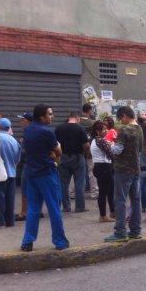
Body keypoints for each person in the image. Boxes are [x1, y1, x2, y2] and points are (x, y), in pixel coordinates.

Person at [21, 104, 70, 251]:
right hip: (47, 173)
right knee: (54, 208)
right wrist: (53, 153)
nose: (52, 116)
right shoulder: (47, 132)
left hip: (31, 173)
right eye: (49, 114)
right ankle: (59, 241)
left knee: (33, 209)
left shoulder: (28, 129)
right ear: (42, 116)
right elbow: (59, 151)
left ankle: (27, 241)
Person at [105, 106, 144, 242]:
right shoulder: (139, 128)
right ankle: (135, 230)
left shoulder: (123, 130)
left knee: (120, 201)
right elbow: (139, 148)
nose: (121, 121)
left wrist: (109, 144)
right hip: (136, 169)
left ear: (124, 116)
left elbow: (117, 150)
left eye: (120, 118)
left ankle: (120, 232)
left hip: (122, 170)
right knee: (136, 200)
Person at [55, 111, 90, 213]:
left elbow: (55, 143)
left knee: (63, 183)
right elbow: (86, 145)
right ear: (78, 118)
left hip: (62, 156)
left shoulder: (59, 128)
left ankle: (66, 207)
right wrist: (85, 152)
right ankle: (80, 207)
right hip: (77, 156)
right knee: (79, 182)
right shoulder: (80, 128)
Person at [90, 120, 115, 223]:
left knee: (110, 191)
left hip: (100, 167)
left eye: (106, 128)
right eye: (103, 129)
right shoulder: (100, 141)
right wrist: (113, 146)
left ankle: (112, 212)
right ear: (97, 131)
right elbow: (111, 154)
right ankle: (103, 215)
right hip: (104, 167)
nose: (106, 131)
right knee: (104, 192)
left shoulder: (95, 140)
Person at [15, 112, 33, 221]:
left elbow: (28, 149)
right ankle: (35, 211)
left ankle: (24, 212)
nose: (20, 122)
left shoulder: (28, 133)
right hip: (33, 164)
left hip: (29, 164)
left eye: (22, 120)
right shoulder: (34, 131)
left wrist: (20, 147)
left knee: (25, 189)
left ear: (28, 121)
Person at [80, 103, 98, 200]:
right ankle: (94, 193)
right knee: (91, 172)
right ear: (90, 110)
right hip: (90, 149)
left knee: (77, 173)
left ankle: (72, 193)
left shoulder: (77, 122)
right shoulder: (93, 123)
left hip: (78, 150)